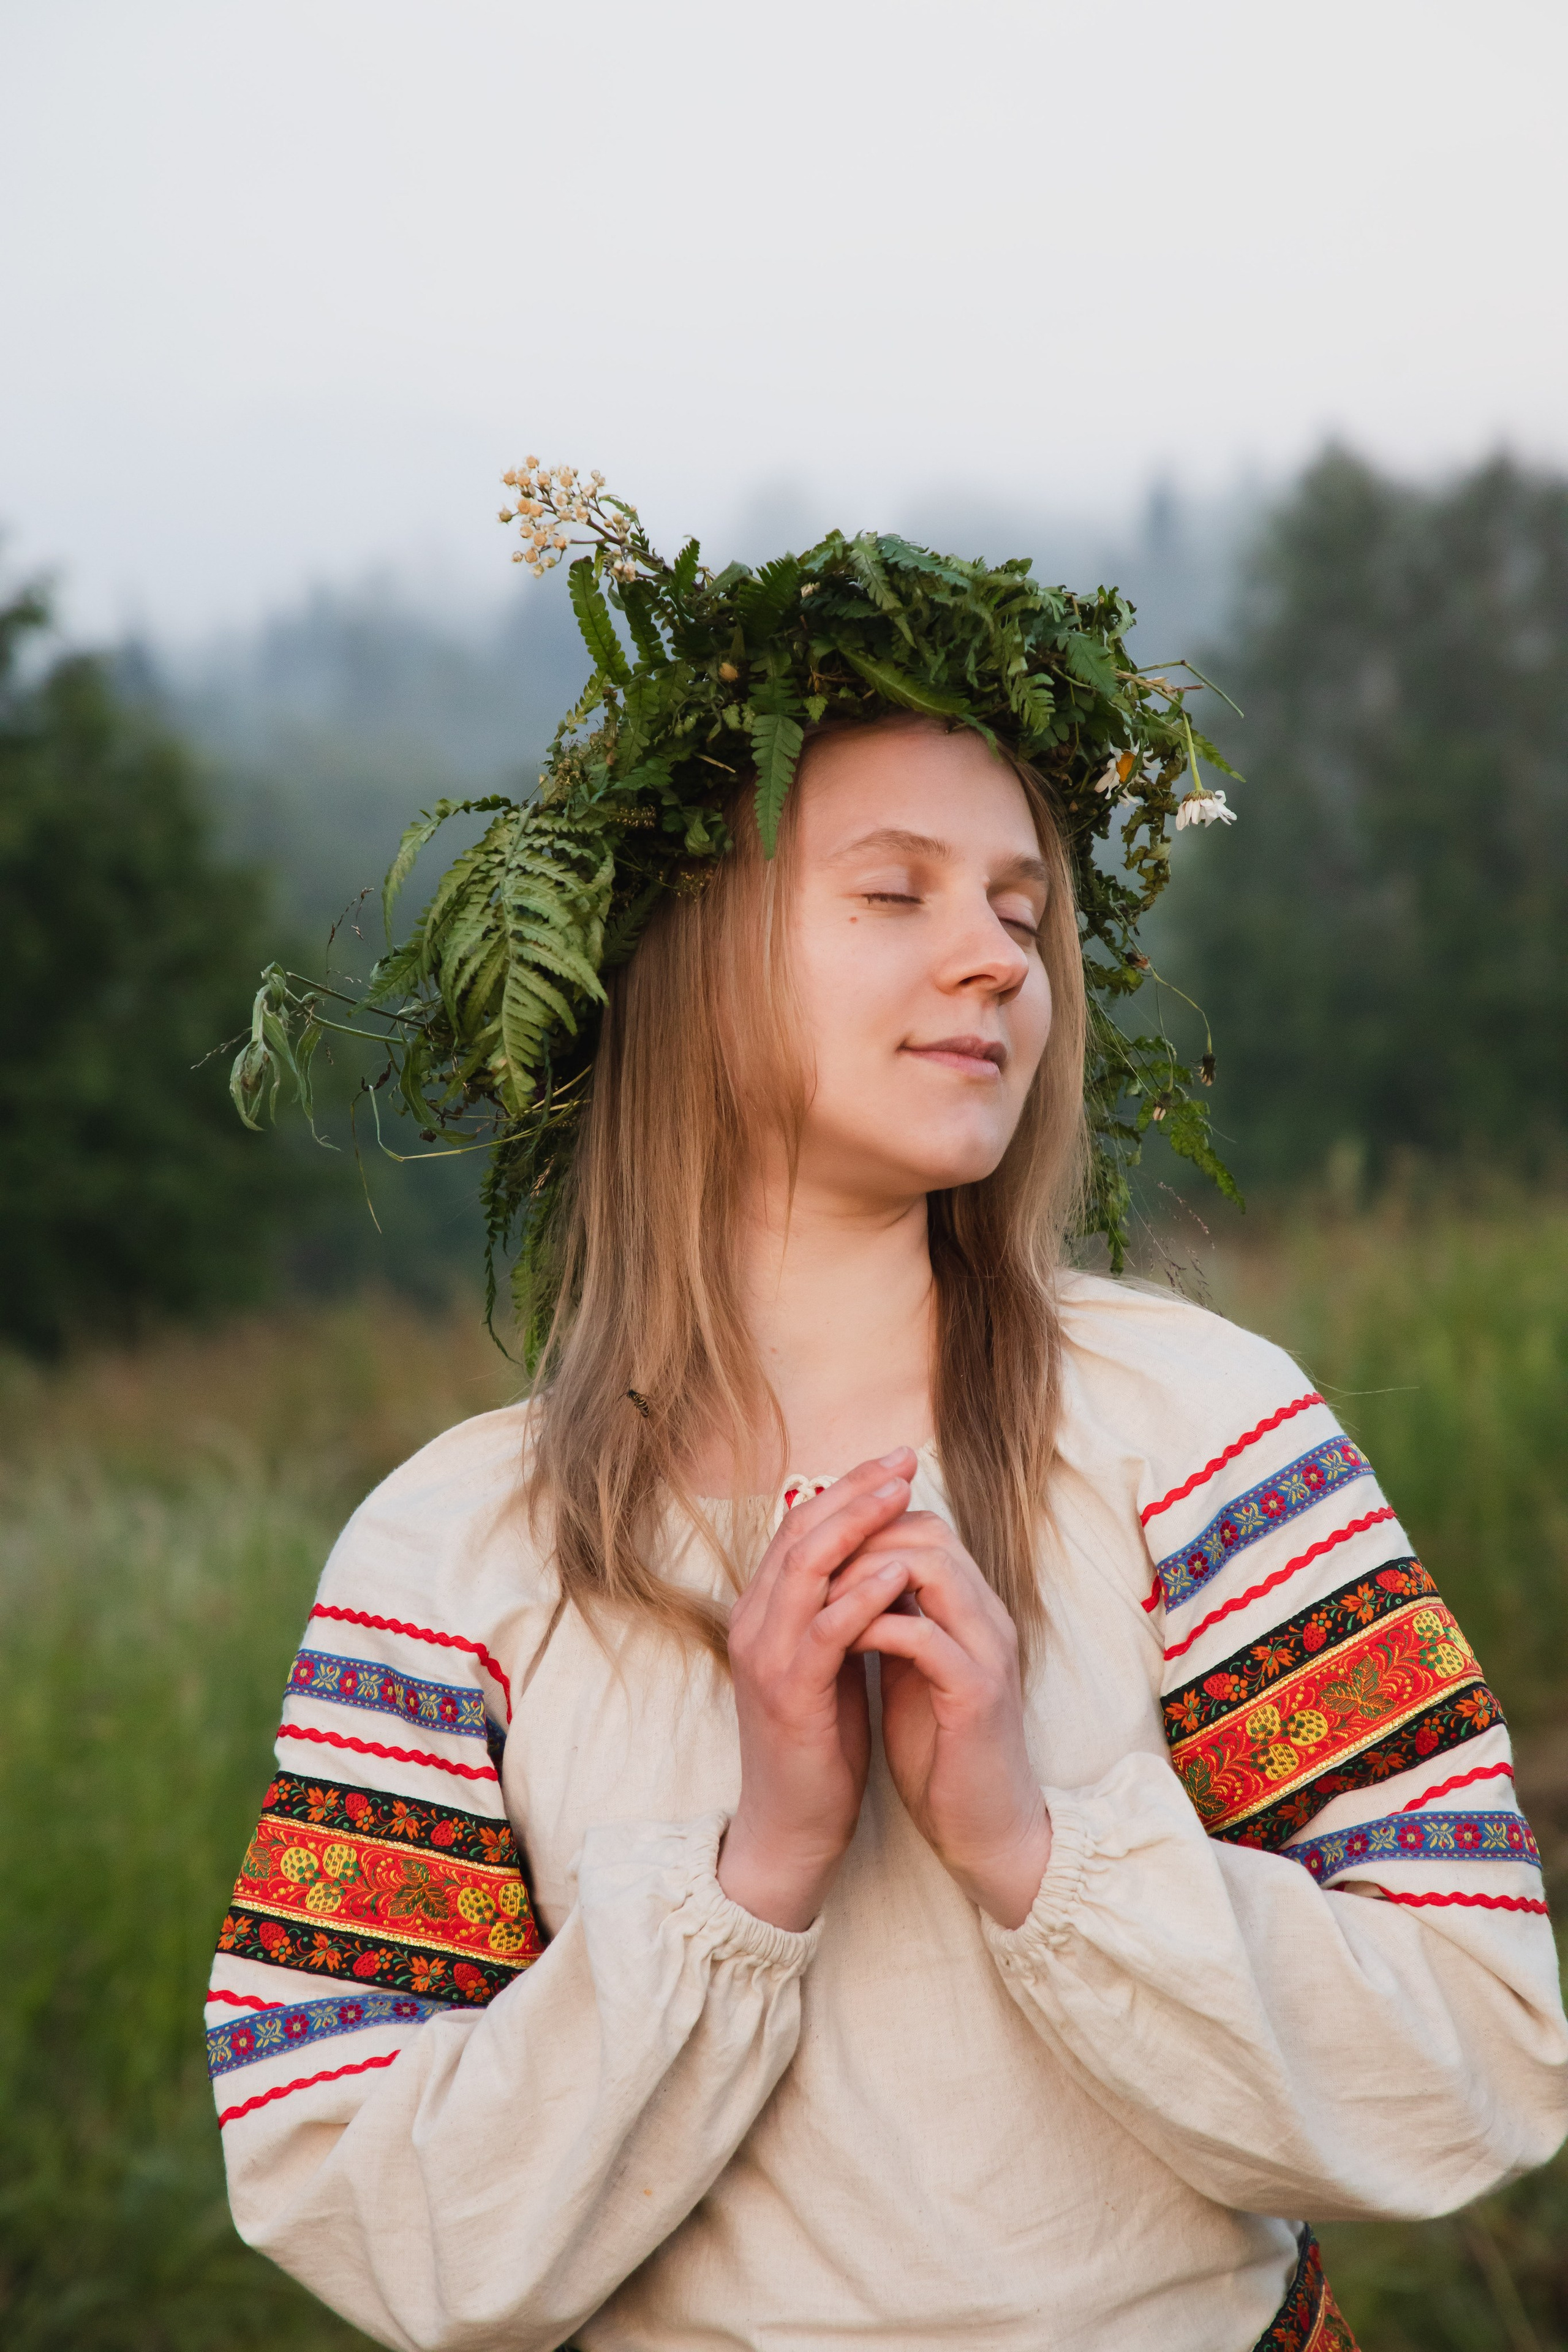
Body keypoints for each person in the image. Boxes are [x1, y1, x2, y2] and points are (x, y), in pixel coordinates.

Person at [208, 484, 1568, 2352]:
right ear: (680, 958)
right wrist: (754, 1874)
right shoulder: (453, 1559)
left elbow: (1484, 2046)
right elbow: (349, 2192)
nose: (1001, 958)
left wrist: (1032, 1840)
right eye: (894, 893)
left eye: (1025, 908)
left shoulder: (1203, 1436)